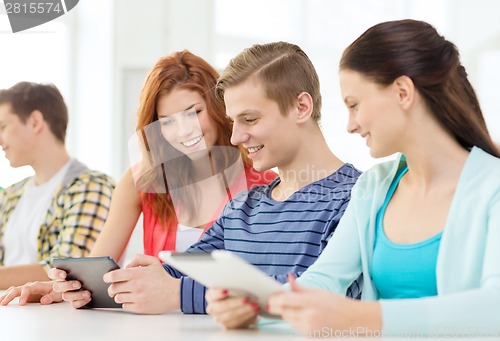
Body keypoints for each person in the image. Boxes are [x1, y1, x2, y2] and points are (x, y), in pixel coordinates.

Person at [35, 42, 362, 316]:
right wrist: (89, 286)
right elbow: (176, 270)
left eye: (250, 119)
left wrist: (180, 294)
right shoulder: (243, 207)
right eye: (233, 121)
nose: (235, 138)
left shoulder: (357, 197)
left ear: (301, 107)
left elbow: (322, 295)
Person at [261, 19, 500, 337]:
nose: (351, 125)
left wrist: (364, 318)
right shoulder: (373, 187)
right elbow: (323, 280)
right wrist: (260, 309)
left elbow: (493, 309)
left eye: (354, 105)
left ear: (402, 92)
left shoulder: (492, 186)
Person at [0, 51, 276, 305]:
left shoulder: (265, 184)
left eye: (194, 112)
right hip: (156, 328)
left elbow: (267, 282)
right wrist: (54, 288)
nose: (184, 131)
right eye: (167, 121)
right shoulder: (141, 181)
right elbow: (93, 270)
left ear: (219, 106)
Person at [0, 82, 115, 290]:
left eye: (2, 127)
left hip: (54, 317)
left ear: (35, 122)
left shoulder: (91, 187)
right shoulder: (10, 194)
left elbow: (68, 270)